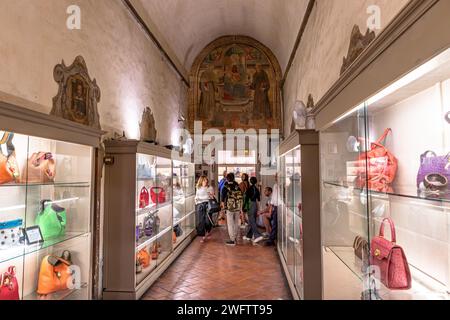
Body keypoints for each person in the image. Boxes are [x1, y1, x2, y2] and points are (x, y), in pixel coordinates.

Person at [220, 172, 243, 246]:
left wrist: (223, 208)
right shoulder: (237, 186)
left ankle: (232, 240)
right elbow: (241, 196)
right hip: (237, 207)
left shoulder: (225, 187)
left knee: (230, 224)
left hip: (229, 208)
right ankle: (235, 237)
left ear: (227, 178)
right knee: (236, 222)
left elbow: (223, 199)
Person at [243, 177, 264, 244]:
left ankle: (257, 235)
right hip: (255, 204)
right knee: (252, 220)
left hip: (250, 204)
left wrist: (244, 207)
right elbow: (259, 199)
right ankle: (249, 235)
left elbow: (246, 199)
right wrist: (258, 209)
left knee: (251, 220)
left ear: (250, 181)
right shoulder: (257, 189)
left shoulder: (249, 189)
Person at [195, 175, 215, 243]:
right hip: (200, 205)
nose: (206, 181)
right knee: (201, 221)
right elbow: (196, 196)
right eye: (204, 180)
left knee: (208, 220)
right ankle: (202, 236)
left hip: (208, 205)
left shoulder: (210, 188)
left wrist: (210, 195)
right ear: (201, 181)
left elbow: (212, 197)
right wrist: (196, 200)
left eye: (206, 180)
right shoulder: (198, 187)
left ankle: (208, 230)